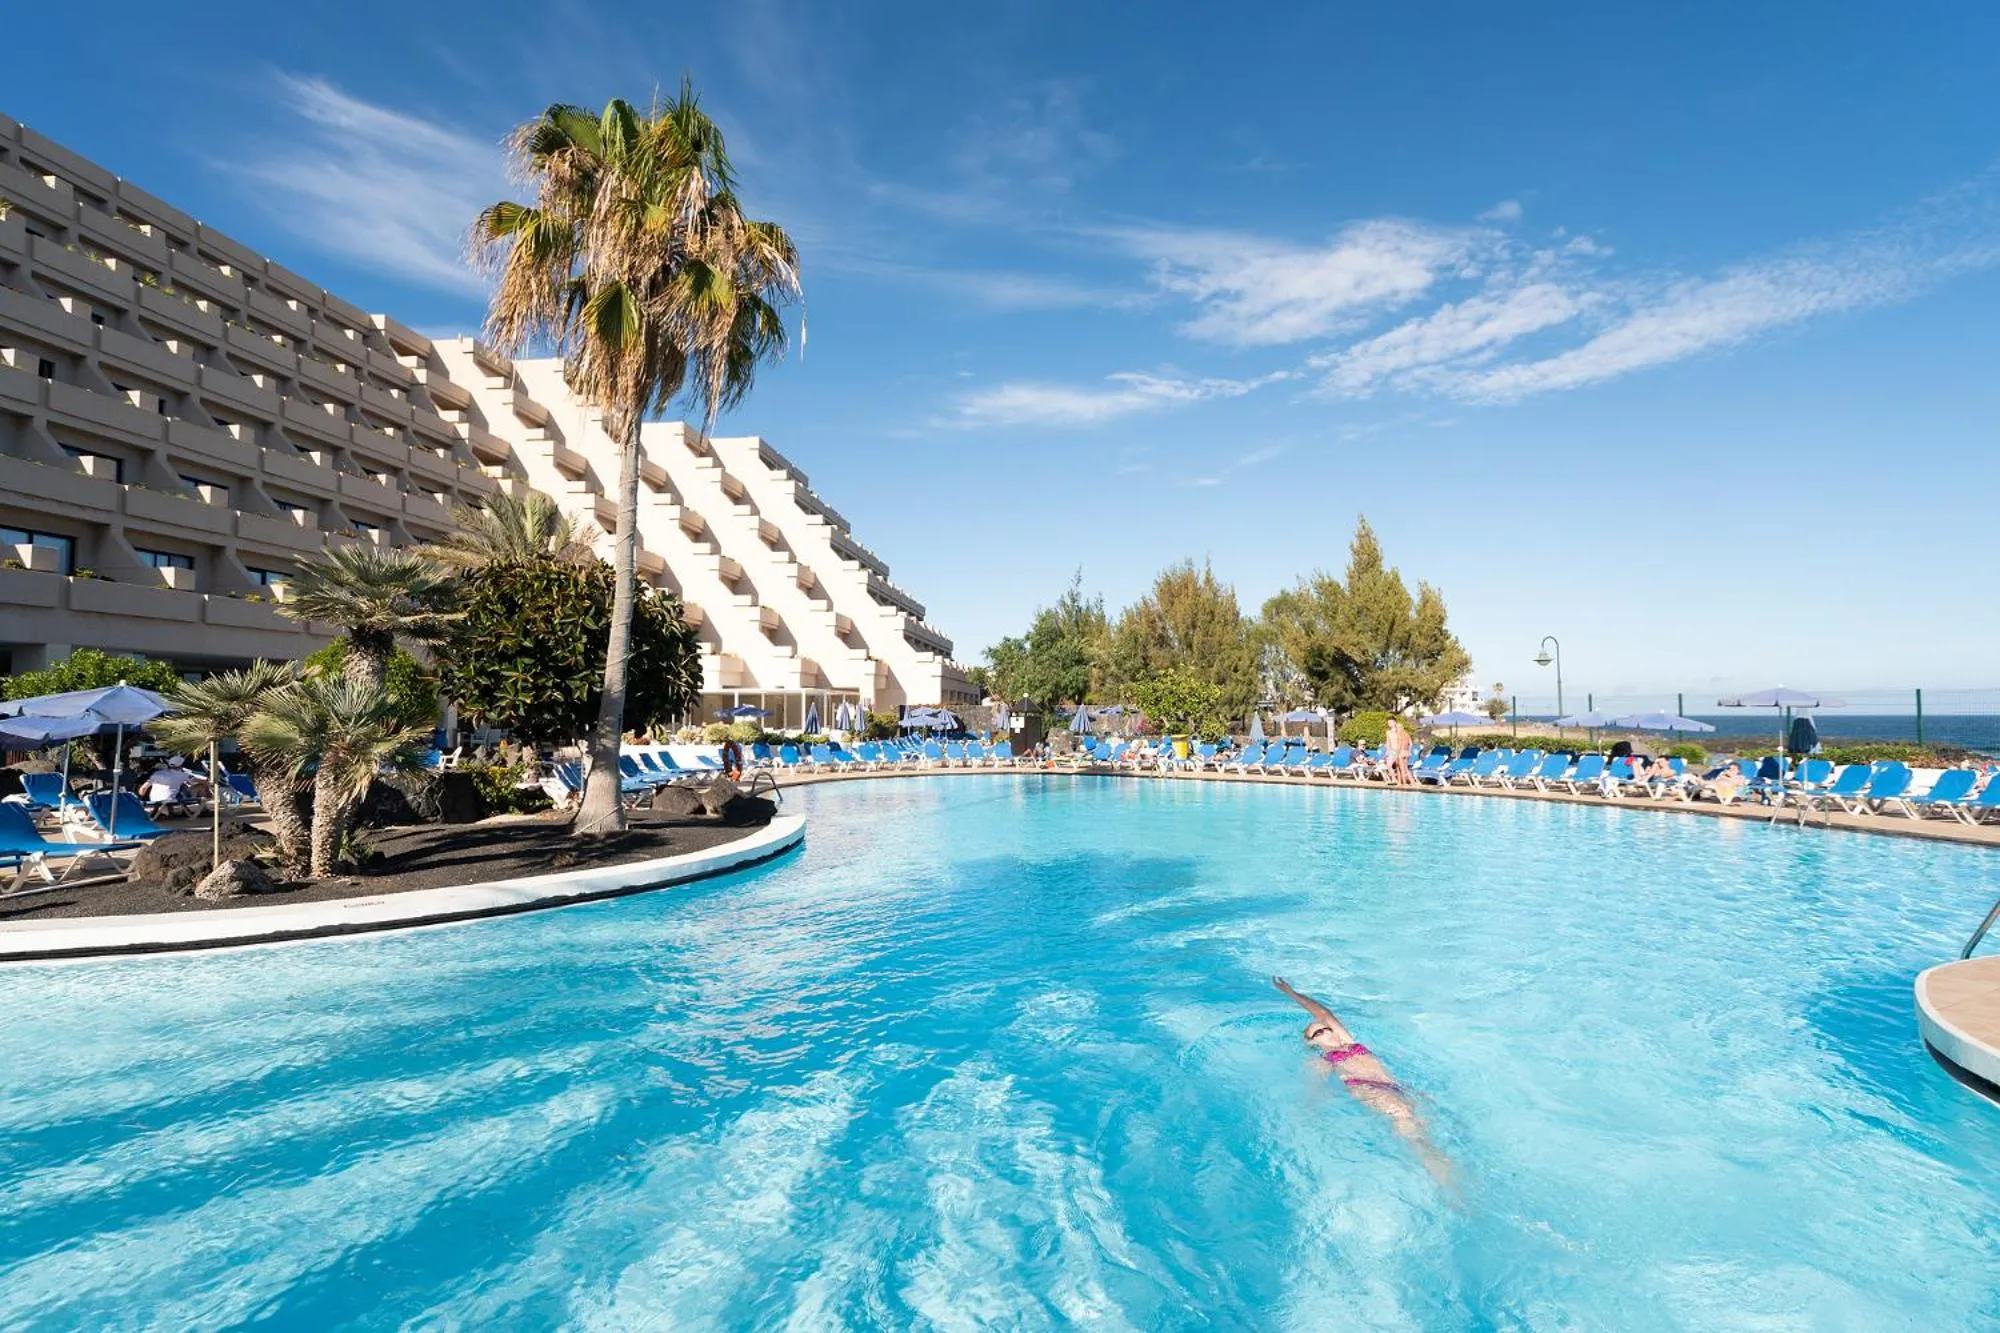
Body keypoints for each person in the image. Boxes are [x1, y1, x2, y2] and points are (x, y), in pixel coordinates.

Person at [1273, 976, 1454, 1187]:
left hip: (1397, 1087)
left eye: (1327, 1028)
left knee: (1429, 1123)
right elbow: (1316, 1088)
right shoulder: (1322, 1059)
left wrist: (1292, 993)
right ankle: (1445, 1180)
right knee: (1414, 1133)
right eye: (1319, 1032)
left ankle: (1440, 1171)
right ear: (1312, 1042)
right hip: (1370, 1090)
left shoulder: (1350, 1043)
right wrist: (1311, 1106)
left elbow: (1324, 1014)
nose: (1326, 1030)